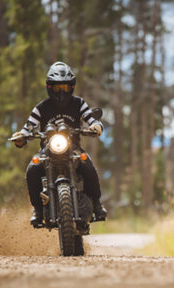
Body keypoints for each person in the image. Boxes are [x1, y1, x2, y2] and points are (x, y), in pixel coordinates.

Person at [11, 61, 107, 226]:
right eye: (57, 88)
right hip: (47, 151)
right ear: (50, 88)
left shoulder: (79, 103)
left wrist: (96, 126)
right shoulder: (41, 108)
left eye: (64, 87)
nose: (61, 92)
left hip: (74, 149)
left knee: (87, 163)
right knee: (32, 168)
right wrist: (21, 135)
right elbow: (28, 126)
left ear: (71, 87)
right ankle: (38, 209)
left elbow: (91, 120)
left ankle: (97, 204)